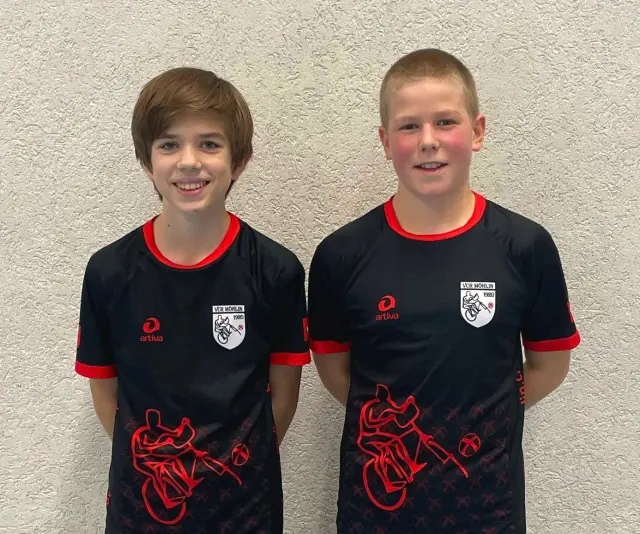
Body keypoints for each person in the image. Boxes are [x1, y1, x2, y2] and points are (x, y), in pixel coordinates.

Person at [308, 48, 580, 533]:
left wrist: (480, 418)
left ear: (477, 131)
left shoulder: (525, 246)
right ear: (385, 141)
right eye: (409, 126)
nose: (428, 141)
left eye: (446, 122)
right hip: (375, 515)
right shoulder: (341, 255)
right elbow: (338, 374)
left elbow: (549, 366)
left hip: (489, 509)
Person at [75, 67, 310, 533]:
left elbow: (283, 398)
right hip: (142, 508)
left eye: (209, 144)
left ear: (238, 161)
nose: (188, 161)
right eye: (169, 144)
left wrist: (233, 462)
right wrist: (159, 464)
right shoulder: (109, 272)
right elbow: (106, 394)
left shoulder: (276, 270)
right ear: (146, 161)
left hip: (246, 508)